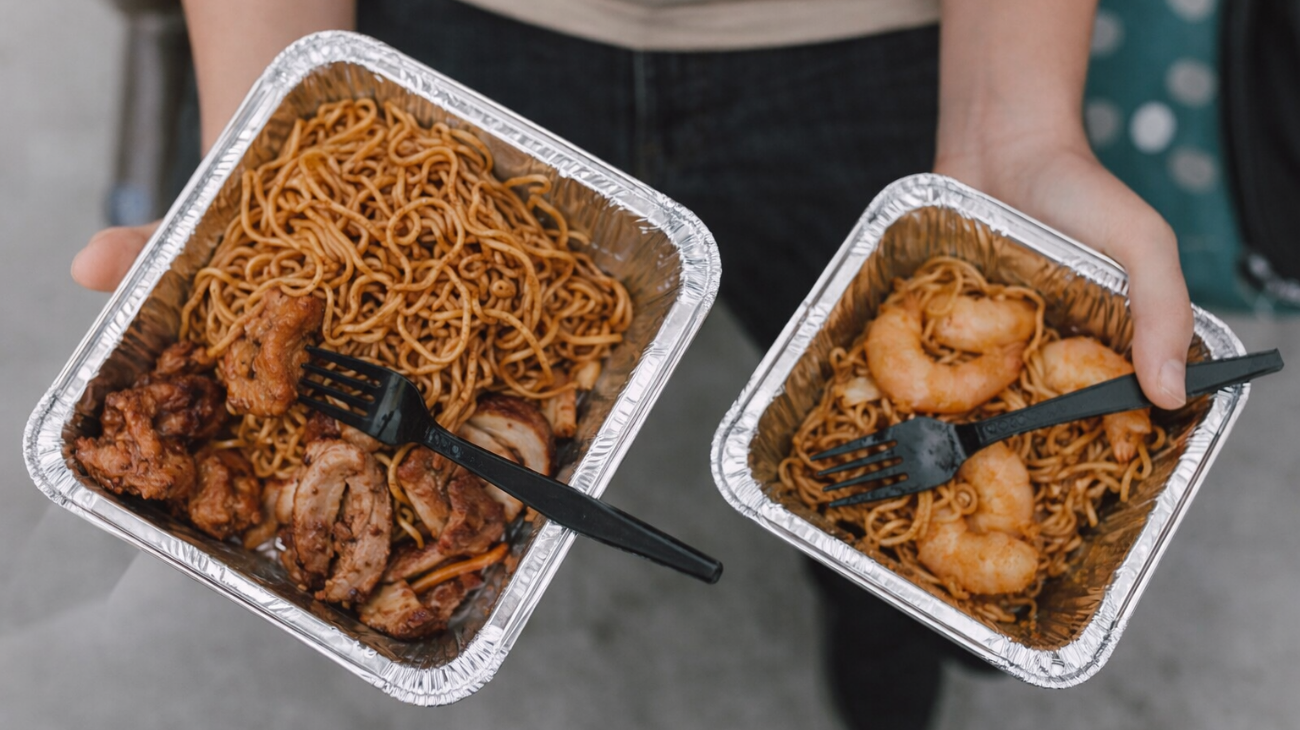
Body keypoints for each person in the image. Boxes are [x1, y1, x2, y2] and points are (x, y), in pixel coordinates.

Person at [69, 1, 1194, 727]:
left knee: (902, 565)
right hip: (437, 28)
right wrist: (265, 107)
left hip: (878, 37)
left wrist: (1015, 126)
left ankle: (887, 671)